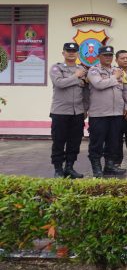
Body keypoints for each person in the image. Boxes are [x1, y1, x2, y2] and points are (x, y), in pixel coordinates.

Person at [87, 46, 127, 177]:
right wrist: (115, 77)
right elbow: (99, 84)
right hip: (99, 114)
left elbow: (126, 89)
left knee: (113, 142)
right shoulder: (94, 70)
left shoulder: (118, 71)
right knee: (97, 142)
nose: (108, 57)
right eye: (105, 55)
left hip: (116, 113)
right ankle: (96, 167)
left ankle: (109, 165)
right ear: (99, 56)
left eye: (110, 55)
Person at [49, 42, 88, 178]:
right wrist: (76, 76)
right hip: (60, 112)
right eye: (68, 51)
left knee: (75, 142)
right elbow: (59, 83)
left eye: (74, 51)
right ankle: (58, 169)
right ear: (63, 53)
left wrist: (85, 109)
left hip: (77, 112)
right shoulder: (57, 68)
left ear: (77, 54)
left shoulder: (82, 69)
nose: (71, 53)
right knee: (59, 141)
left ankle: (69, 167)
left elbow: (86, 91)